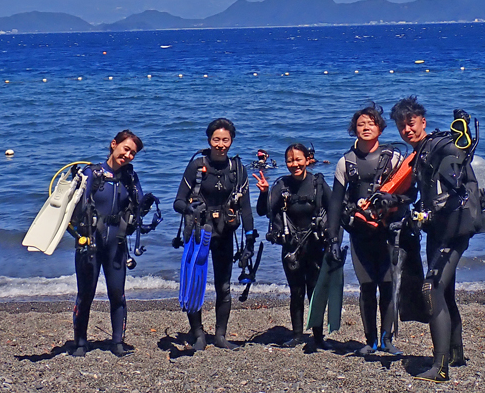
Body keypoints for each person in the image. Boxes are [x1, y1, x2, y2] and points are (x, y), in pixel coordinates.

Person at [391, 96, 485, 382]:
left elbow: (456, 152)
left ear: (422, 122)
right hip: (439, 230)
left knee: (431, 288)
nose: (407, 130)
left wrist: (461, 134)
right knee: (445, 289)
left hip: (454, 228)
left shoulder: (437, 145)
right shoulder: (421, 153)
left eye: (411, 124)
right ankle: (456, 353)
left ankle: (439, 368)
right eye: (401, 126)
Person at [327, 103, 410, 356]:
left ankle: (387, 339)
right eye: (361, 124)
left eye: (371, 123)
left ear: (380, 129)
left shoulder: (394, 158)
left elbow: (408, 194)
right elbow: (336, 203)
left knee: (387, 284)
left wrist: (393, 205)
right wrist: (333, 238)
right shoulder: (345, 162)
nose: (366, 127)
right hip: (360, 232)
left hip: (386, 231)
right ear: (354, 129)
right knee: (366, 286)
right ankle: (370, 340)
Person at [70, 130, 156, 357]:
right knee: (85, 294)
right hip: (90, 243)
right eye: (126, 149)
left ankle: (117, 342)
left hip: (117, 245)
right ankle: (80, 343)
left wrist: (143, 206)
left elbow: (137, 208)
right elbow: (73, 210)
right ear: (114, 144)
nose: (128, 156)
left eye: (133, 154)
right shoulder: (92, 173)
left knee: (117, 294)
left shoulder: (130, 177)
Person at [173, 118, 256, 350]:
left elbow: (246, 208)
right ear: (209, 140)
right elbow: (178, 201)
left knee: (224, 286)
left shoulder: (237, 169)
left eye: (225, 140)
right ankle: (198, 334)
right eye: (216, 139)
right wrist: (188, 208)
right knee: (195, 283)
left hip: (224, 233)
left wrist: (249, 237)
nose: (220, 144)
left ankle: (220, 336)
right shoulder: (197, 166)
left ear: (231, 141)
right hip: (198, 232)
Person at [254, 143, 332, 348]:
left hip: (316, 246)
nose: (294, 164)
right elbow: (263, 211)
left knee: (315, 291)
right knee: (296, 291)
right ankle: (297, 335)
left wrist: (335, 240)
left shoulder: (318, 183)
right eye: (290, 160)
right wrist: (263, 192)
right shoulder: (282, 185)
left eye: (298, 159)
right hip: (292, 248)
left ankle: (318, 337)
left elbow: (334, 209)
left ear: (308, 160)